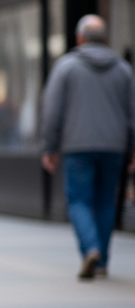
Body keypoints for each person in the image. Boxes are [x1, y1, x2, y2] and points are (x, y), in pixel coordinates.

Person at [41, 15, 135, 280]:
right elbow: (133, 111)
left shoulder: (66, 67)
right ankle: (102, 259)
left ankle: (90, 249)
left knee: (80, 201)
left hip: (77, 145)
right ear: (104, 38)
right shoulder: (123, 69)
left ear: (80, 38)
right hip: (114, 146)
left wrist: (49, 147)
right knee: (106, 201)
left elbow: (52, 110)